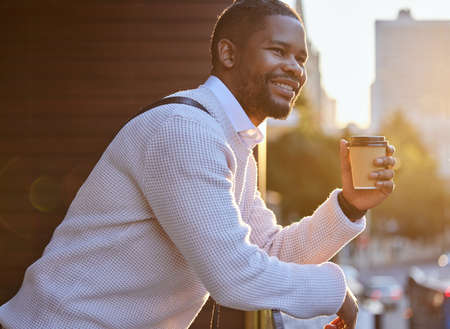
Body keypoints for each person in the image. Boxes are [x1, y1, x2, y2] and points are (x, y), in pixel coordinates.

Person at [0, 1, 396, 328]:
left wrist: (349, 205)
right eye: (278, 51)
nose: (295, 68)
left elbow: (269, 251)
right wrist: (332, 288)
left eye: (300, 58)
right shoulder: (185, 131)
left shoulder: (231, 142)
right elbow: (235, 277)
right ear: (228, 54)